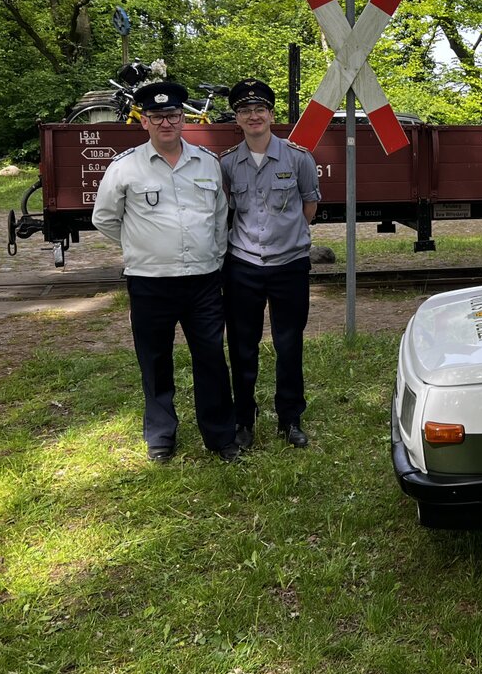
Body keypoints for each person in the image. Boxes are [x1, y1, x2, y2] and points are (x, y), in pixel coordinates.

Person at [91, 81, 240, 463]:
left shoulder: (206, 162)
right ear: (144, 121)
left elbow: (220, 215)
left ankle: (221, 437)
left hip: (203, 281)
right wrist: (140, 247)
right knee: (155, 361)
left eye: (172, 115)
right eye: (157, 117)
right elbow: (104, 218)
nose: (166, 123)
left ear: (182, 119)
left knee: (211, 359)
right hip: (150, 282)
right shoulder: (125, 167)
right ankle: (160, 435)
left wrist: (215, 256)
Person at [218, 78, 320, 449]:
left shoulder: (298, 157)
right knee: (242, 346)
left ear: (271, 115)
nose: (253, 116)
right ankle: (244, 419)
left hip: (289, 264)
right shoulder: (227, 163)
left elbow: (309, 205)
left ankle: (290, 419)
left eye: (260, 109)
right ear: (237, 119)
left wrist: (286, 237)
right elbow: (226, 210)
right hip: (243, 265)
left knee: (289, 344)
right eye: (245, 111)